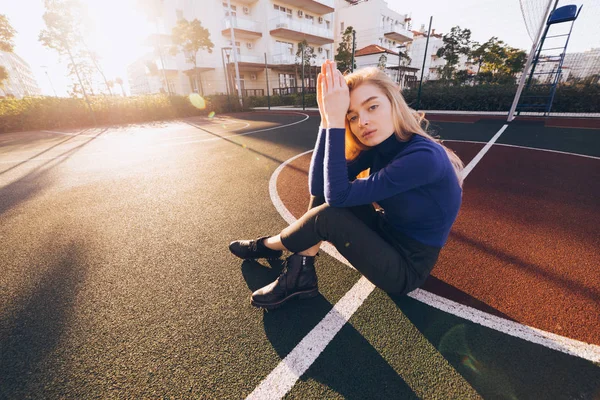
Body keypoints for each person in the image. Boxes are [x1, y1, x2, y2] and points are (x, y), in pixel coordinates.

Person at [230, 60, 464, 310]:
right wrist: (326, 120)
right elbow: (320, 189)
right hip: (385, 232)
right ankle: (301, 274)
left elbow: (337, 197)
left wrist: (336, 120)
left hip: (406, 267)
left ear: (394, 99)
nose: (362, 121)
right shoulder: (379, 145)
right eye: (352, 116)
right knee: (327, 202)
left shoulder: (423, 157)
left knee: (331, 215)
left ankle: (267, 246)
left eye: (372, 106)